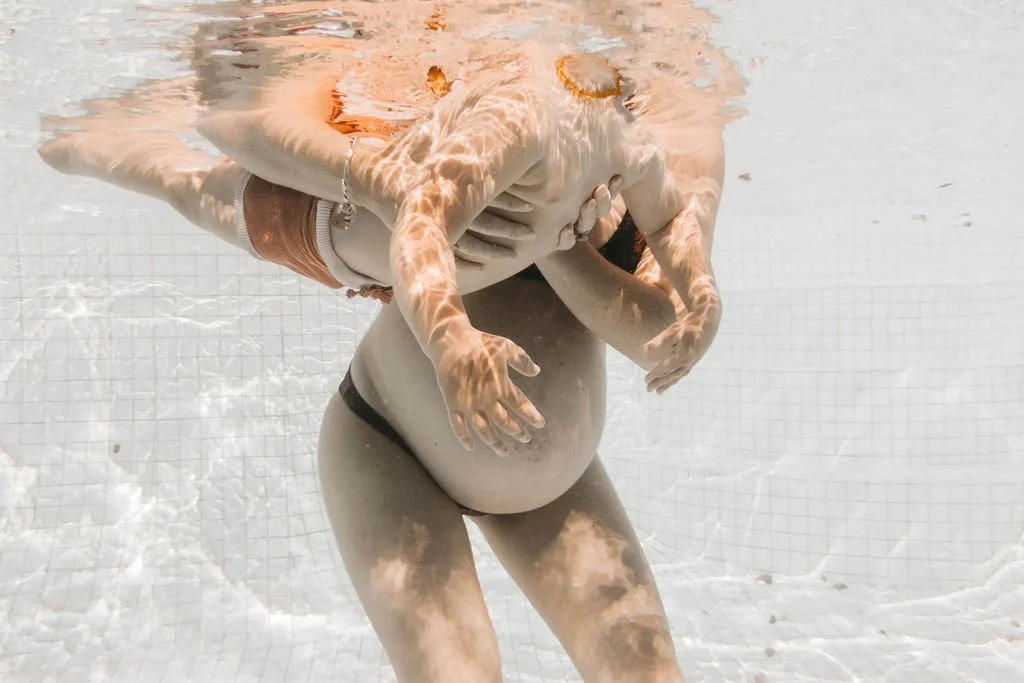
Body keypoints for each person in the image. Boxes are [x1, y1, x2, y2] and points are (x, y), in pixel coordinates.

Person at [39, 22, 731, 683]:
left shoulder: (645, 133)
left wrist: (557, 243)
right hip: (390, 446)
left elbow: (661, 331)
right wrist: (457, 337)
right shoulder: (522, 110)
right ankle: (114, 152)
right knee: (217, 194)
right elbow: (416, 225)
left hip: (549, 479)